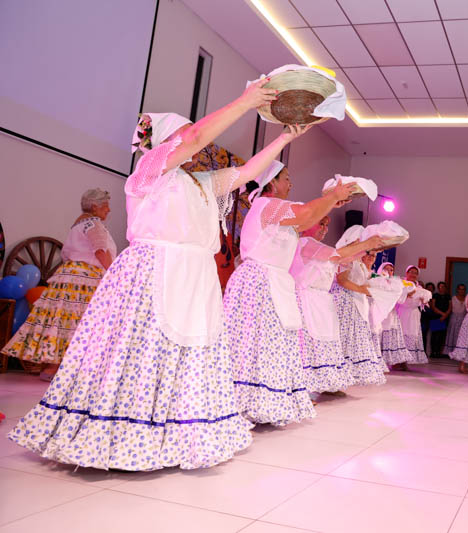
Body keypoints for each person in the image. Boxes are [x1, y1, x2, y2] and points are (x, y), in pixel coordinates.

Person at [10, 81, 292, 470]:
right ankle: (126, 432)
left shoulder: (202, 183)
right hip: (154, 271)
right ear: (160, 141)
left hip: (196, 276)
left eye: (186, 136)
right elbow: (194, 139)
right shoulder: (148, 172)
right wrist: (245, 102)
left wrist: (285, 137)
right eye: (178, 136)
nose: (190, 142)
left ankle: (180, 431)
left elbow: (247, 172)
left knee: (189, 353)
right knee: (141, 352)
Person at [225, 160, 358, 425]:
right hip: (259, 281)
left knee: (270, 345)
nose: (290, 183)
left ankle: (263, 403)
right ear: (271, 183)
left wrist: (331, 201)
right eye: (286, 178)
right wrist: (331, 197)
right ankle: (239, 406)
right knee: (253, 344)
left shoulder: (277, 211)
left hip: (272, 281)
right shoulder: (266, 204)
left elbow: (308, 217)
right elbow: (307, 214)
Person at [2, 189, 116, 381]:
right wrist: (116, 273)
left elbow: (66, 253)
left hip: (68, 276)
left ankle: (52, 368)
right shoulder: (93, 224)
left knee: (62, 322)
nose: (109, 210)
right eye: (106, 206)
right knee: (84, 323)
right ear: (95, 206)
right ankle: (75, 371)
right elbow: (101, 252)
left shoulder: (77, 225)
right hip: (86, 279)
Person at [291, 216, 384, 395]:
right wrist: (364, 245)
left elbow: (343, 259)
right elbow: (338, 256)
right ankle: (302, 390)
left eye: (327, 225)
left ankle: (326, 385)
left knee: (324, 345)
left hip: (322, 301)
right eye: (321, 223)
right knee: (307, 347)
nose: (324, 229)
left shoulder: (321, 249)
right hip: (306, 299)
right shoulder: (304, 243)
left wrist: (367, 248)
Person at [332, 227, 387, 386]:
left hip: (356, 302)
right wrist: (364, 290)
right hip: (344, 301)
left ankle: (341, 380)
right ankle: (335, 380)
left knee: (350, 342)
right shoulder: (347, 258)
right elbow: (342, 281)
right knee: (342, 340)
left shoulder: (359, 261)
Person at [375, 263, 414, 371]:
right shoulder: (377, 280)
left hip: (391, 313)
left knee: (392, 337)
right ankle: (378, 362)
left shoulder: (395, 283)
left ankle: (395, 362)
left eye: (391, 270)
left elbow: (401, 297)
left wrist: (407, 291)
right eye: (386, 269)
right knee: (379, 336)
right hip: (379, 312)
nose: (389, 271)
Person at [396, 266, 430, 366]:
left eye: (415, 273)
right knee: (400, 335)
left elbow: (424, 301)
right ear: (407, 273)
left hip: (413, 314)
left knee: (411, 335)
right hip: (402, 312)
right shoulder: (400, 284)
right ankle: (397, 361)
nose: (413, 274)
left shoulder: (419, 288)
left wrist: (424, 300)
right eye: (411, 272)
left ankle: (405, 361)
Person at [429, 282, 452, 357]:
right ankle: (433, 352)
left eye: (443, 286)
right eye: (440, 287)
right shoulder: (435, 295)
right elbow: (433, 306)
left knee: (442, 336)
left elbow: (450, 307)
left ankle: (439, 352)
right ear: (438, 288)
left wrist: (445, 315)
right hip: (436, 317)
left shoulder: (448, 296)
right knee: (434, 335)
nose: (442, 288)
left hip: (445, 318)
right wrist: (442, 314)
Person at [443, 283, 467, 355]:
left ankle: (460, 352)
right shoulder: (453, 298)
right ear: (457, 290)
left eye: (463, 289)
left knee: (461, 336)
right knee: (452, 334)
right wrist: (444, 315)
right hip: (454, 318)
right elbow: (450, 309)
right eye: (460, 289)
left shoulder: (467, 299)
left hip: (463, 319)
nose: (461, 291)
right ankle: (451, 352)